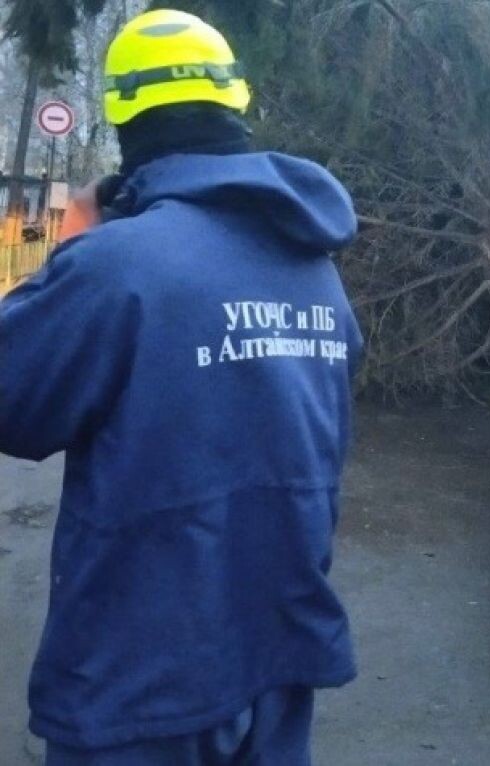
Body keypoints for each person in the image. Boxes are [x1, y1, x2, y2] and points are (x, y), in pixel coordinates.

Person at [0, 9, 362, 765]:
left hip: (141, 680)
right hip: (279, 653)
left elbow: (16, 403)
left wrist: (69, 254)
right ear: (237, 102)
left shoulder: (118, 263)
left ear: (122, 117)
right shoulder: (314, 267)